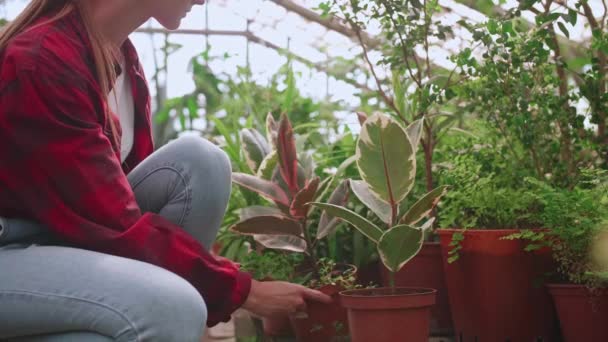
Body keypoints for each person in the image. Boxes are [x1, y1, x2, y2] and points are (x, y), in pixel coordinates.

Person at [0, 1, 331, 341]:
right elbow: (112, 223)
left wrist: (224, 283)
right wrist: (246, 292)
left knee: (201, 163)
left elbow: (118, 206)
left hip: (62, 237)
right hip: (12, 249)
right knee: (173, 306)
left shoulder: (122, 59)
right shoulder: (42, 61)